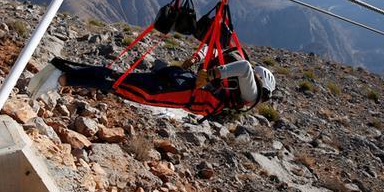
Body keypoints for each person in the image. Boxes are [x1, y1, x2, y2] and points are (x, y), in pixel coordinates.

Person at [27, 50, 276, 118]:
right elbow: (239, 67)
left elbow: (238, 65)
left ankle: (63, 76)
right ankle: (62, 77)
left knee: (115, 80)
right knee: (117, 82)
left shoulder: (247, 95)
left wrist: (208, 71)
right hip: (180, 89)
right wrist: (207, 70)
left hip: (181, 86)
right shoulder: (246, 96)